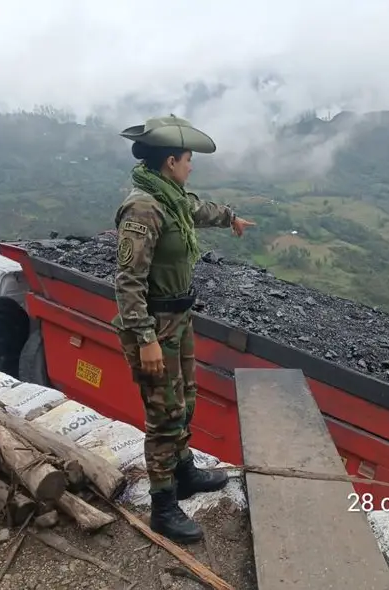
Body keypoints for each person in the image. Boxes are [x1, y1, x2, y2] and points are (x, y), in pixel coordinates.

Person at [112, 115, 255, 544]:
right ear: (171, 161)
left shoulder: (170, 197)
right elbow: (128, 281)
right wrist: (145, 339)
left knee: (184, 400)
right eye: (188, 160)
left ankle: (184, 471)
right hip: (153, 325)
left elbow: (198, 208)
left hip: (178, 318)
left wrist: (231, 218)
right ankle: (163, 504)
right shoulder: (143, 208)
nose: (191, 166)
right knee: (163, 415)